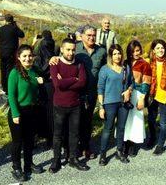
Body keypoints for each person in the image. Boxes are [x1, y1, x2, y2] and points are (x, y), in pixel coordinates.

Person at [49, 38, 89, 172]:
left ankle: (73, 159)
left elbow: (82, 83)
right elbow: (57, 85)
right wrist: (73, 79)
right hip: (59, 105)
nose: (71, 53)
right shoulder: (55, 63)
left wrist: (65, 81)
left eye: (73, 50)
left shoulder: (79, 64)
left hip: (75, 105)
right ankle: (56, 161)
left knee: (74, 133)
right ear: (61, 49)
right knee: (58, 134)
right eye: (68, 49)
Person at [7, 45, 45, 182]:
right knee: (17, 142)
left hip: (32, 111)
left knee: (29, 141)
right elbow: (11, 96)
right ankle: (16, 167)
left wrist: (41, 83)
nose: (28, 58)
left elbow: (39, 87)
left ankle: (28, 164)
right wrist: (15, 114)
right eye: (24, 56)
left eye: (30, 56)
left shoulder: (35, 71)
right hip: (19, 111)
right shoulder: (14, 73)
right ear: (19, 57)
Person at [96, 44, 133, 165]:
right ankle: (103, 154)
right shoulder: (105, 69)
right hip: (109, 104)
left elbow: (132, 83)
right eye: (115, 54)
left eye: (119, 53)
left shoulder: (126, 67)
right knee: (108, 129)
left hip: (123, 103)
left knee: (121, 128)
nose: (117, 56)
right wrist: (101, 107)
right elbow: (100, 89)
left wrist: (129, 90)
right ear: (111, 56)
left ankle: (119, 151)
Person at [74, 25, 107, 159]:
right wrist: (54, 58)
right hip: (76, 92)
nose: (91, 37)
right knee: (75, 121)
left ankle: (86, 147)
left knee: (87, 121)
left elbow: (105, 69)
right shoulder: (74, 48)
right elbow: (62, 60)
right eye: (88, 35)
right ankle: (74, 148)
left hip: (92, 92)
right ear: (81, 36)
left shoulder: (101, 51)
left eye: (93, 35)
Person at [146, 39, 166, 155]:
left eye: (162, 48)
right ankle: (153, 137)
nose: (160, 50)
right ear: (153, 50)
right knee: (150, 120)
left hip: (164, 97)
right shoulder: (149, 62)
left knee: (164, 124)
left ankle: (160, 145)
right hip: (152, 96)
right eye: (158, 48)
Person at [123, 40, 152, 157]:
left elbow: (146, 82)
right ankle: (125, 142)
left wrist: (142, 98)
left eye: (138, 50)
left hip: (137, 93)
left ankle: (133, 144)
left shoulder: (144, 64)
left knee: (135, 120)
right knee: (125, 119)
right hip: (126, 93)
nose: (136, 53)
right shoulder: (125, 63)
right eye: (133, 51)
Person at [33, 30, 56, 146]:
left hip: (42, 83)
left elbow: (37, 68)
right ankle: (50, 138)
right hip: (50, 83)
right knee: (50, 112)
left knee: (42, 111)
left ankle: (40, 135)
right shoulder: (52, 48)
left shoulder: (39, 47)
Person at [0, 14, 25, 94]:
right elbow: (22, 35)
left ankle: (4, 87)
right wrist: (16, 26)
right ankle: (9, 88)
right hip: (11, 52)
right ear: (12, 20)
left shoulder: (1, 29)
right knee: (10, 70)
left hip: (2, 52)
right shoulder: (14, 28)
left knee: (3, 70)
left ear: (5, 20)